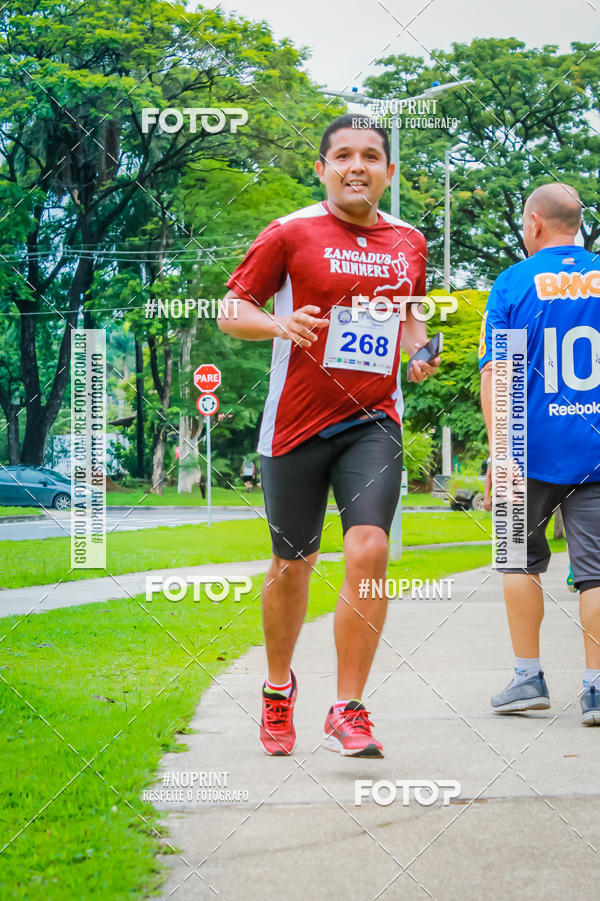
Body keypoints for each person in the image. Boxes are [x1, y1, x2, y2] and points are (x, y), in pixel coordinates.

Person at [218, 114, 440, 757]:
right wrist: (278, 327)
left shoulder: (409, 241)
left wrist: (419, 350)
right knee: (294, 565)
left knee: (369, 548)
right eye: (343, 155)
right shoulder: (291, 232)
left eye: (371, 156)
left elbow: (410, 315)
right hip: (294, 424)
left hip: (373, 419)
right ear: (322, 169)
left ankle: (348, 706)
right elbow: (233, 311)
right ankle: (278, 689)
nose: (357, 165)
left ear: (388, 172)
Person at [479, 182, 600, 726]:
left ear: (532, 223)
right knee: (597, 573)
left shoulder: (511, 283)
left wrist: (499, 454)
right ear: (576, 222)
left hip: (525, 448)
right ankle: (596, 690)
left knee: (518, 562)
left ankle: (527, 678)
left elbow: (497, 373)